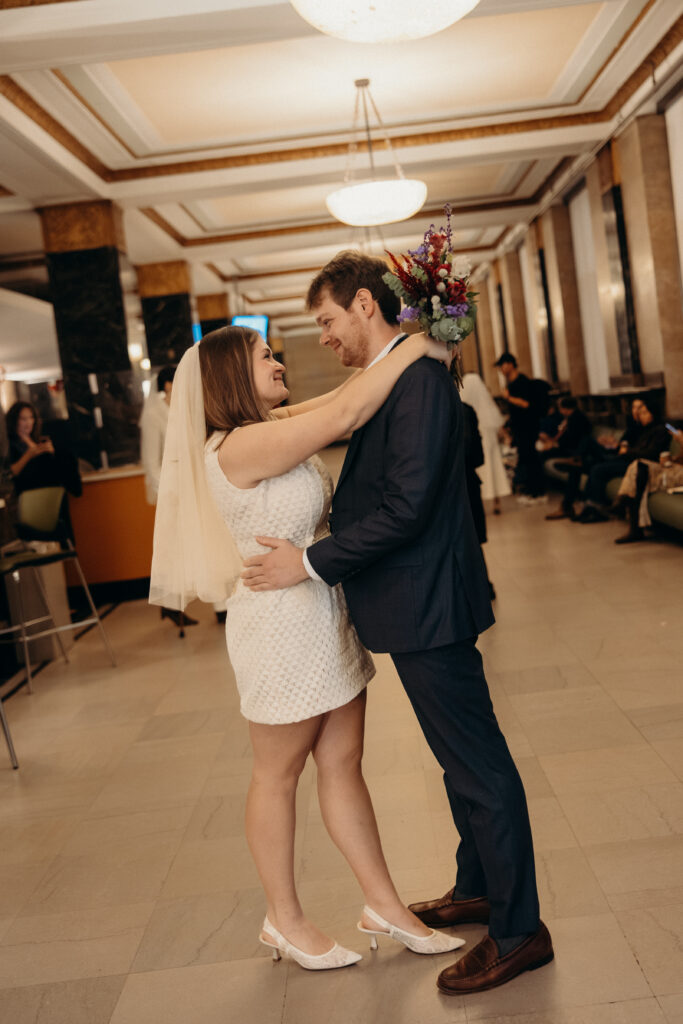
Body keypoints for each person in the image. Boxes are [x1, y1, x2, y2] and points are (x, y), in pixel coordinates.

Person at [241, 251, 552, 995]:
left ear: (362, 305)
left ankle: (518, 931)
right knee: (457, 761)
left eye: (324, 321)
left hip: (428, 602)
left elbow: (404, 508)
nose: (322, 338)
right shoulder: (400, 375)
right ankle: (477, 886)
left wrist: (311, 563)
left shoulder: (415, 382)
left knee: (478, 765)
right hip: (418, 601)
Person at [150, 324, 464, 972]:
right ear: (231, 377)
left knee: (343, 763)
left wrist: (392, 347)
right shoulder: (238, 448)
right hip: (276, 629)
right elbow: (348, 408)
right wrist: (420, 343)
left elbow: (342, 397)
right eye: (263, 355)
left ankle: (383, 904)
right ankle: (283, 919)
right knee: (277, 775)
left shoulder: (270, 428)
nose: (277, 359)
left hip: (322, 612)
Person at [140, 366, 199, 630]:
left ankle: (174, 605)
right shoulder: (153, 415)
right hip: (170, 491)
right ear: (166, 385)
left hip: (191, 486)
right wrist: (168, 494)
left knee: (188, 547)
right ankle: (171, 604)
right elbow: (151, 461)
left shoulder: (186, 411)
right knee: (173, 548)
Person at [573, 399, 670, 523]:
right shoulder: (643, 428)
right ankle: (589, 506)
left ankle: (596, 508)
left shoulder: (659, 430)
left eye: (644, 412)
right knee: (593, 465)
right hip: (627, 458)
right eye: (639, 412)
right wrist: (621, 447)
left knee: (597, 469)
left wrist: (627, 451)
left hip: (637, 464)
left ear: (653, 413)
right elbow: (629, 442)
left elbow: (650, 453)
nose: (641, 415)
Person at [613, 426, 683, 543]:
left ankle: (627, 511)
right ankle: (623, 501)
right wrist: (672, 460)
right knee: (639, 465)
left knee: (642, 475)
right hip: (675, 469)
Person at [494, 353, 547, 503]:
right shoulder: (511, 384)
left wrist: (508, 398)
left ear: (510, 364)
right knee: (525, 458)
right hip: (519, 428)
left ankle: (539, 492)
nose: (501, 369)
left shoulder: (522, 382)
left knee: (531, 458)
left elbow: (526, 404)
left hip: (529, 426)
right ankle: (531, 491)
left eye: (502, 365)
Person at [460, 372, 510, 514]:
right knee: (494, 470)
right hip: (491, 443)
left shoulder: (466, 410)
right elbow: (498, 426)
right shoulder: (487, 408)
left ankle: (480, 501)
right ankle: (497, 503)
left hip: (477, 448)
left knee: (480, 473)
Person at [462, 400, 496, 600]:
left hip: (458, 484)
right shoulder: (466, 408)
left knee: (467, 537)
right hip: (468, 481)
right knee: (473, 538)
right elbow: (476, 455)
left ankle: (479, 586)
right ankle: (482, 585)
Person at [542, 397, 593, 521]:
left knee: (573, 469)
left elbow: (574, 440)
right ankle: (567, 506)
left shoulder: (577, 419)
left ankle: (567, 506)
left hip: (577, 453)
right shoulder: (571, 419)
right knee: (545, 455)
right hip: (576, 452)